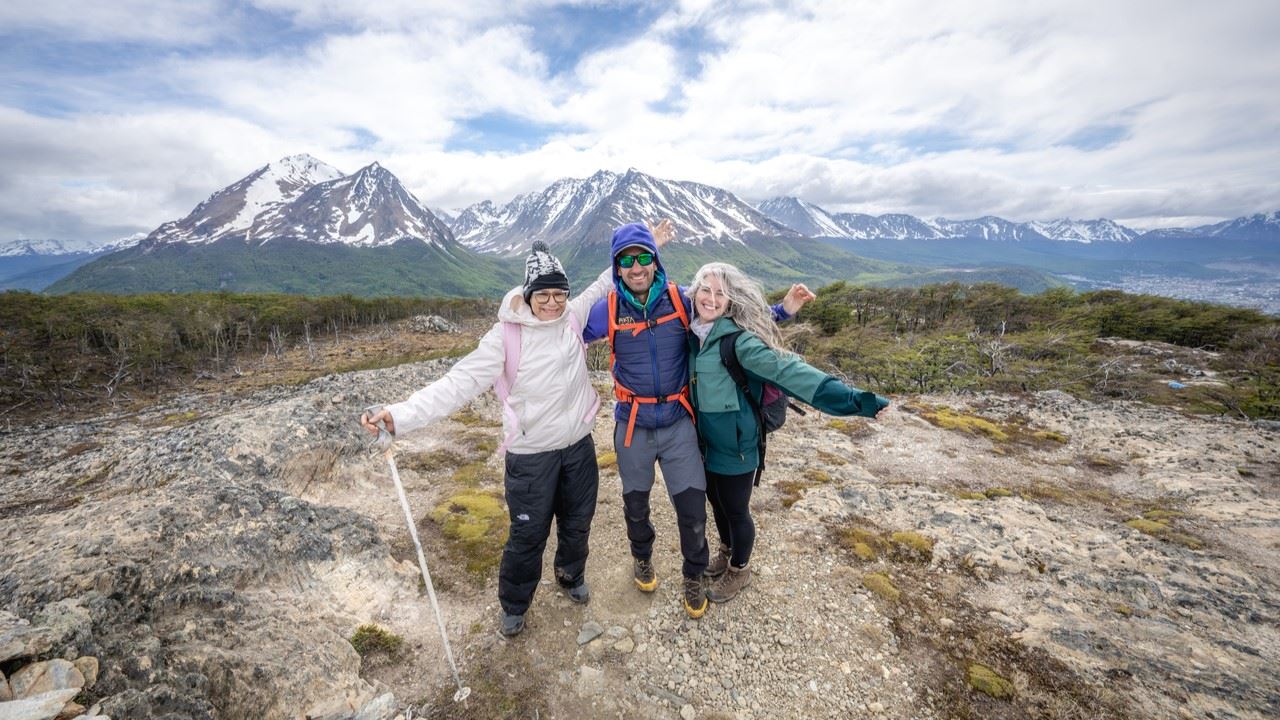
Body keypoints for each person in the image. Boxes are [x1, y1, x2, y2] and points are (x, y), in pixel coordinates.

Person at [361, 242, 612, 638]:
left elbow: (604, 282)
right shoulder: (505, 338)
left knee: (578, 523)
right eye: (543, 294)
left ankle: (570, 575)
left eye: (559, 294)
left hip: (578, 447)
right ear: (527, 294)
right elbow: (456, 385)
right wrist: (399, 416)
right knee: (528, 535)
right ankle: (514, 605)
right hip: (530, 456)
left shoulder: (572, 318)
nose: (552, 302)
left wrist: (646, 243)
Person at [582, 223, 815, 618]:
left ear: (655, 261)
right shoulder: (606, 310)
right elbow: (562, 333)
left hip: (676, 423)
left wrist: (784, 311)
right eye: (627, 260)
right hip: (632, 421)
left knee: (692, 509)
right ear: (616, 267)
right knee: (635, 505)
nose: (637, 267)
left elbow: (729, 315)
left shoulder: (681, 299)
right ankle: (642, 557)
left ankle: (694, 575)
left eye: (643, 257)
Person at [686, 262, 889, 602]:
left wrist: (859, 401)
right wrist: (782, 309)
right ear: (694, 293)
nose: (710, 298)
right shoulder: (694, 333)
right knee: (716, 504)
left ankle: (740, 567)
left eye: (720, 293)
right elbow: (763, 314)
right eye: (705, 289)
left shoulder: (739, 343)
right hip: (705, 445)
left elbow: (792, 372)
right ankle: (725, 550)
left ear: (731, 300)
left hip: (738, 448)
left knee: (736, 510)